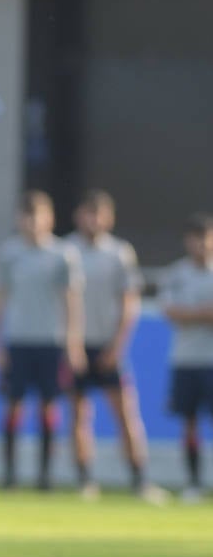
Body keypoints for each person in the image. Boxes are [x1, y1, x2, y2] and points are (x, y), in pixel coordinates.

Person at [64, 190, 166, 503]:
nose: (92, 220)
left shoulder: (119, 253)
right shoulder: (66, 250)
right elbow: (62, 302)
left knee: (126, 414)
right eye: (87, 212)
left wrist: (117, 346)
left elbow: (129, 302)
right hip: (77, 345)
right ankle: (85, 480)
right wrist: (71, 344)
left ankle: (140, 479)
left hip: (108, 346)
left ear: (108, 218)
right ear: (78, 215)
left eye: (98, 214)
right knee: (80, 415)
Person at [0, 190, 85, 491]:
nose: (32, 222)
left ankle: (44, 476)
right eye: (27, 216)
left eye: (38, 216)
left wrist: (73, 343)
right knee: (13, 406)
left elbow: (71, 301)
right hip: (18, 340)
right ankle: (9, 475)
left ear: (49, 218)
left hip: (51, 341)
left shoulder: (62, 254)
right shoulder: (9, 254)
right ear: (20, 219)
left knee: (49, 407)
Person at [159, 213, 213, 503]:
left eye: (206, 238)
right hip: (186, 359)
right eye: (196, 238)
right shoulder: (176, 274)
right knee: (189, 422)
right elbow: (170, 312)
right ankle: (194, 483)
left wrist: (188, 313)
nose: (201, 244)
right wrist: (203, 313)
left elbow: (182, 313)